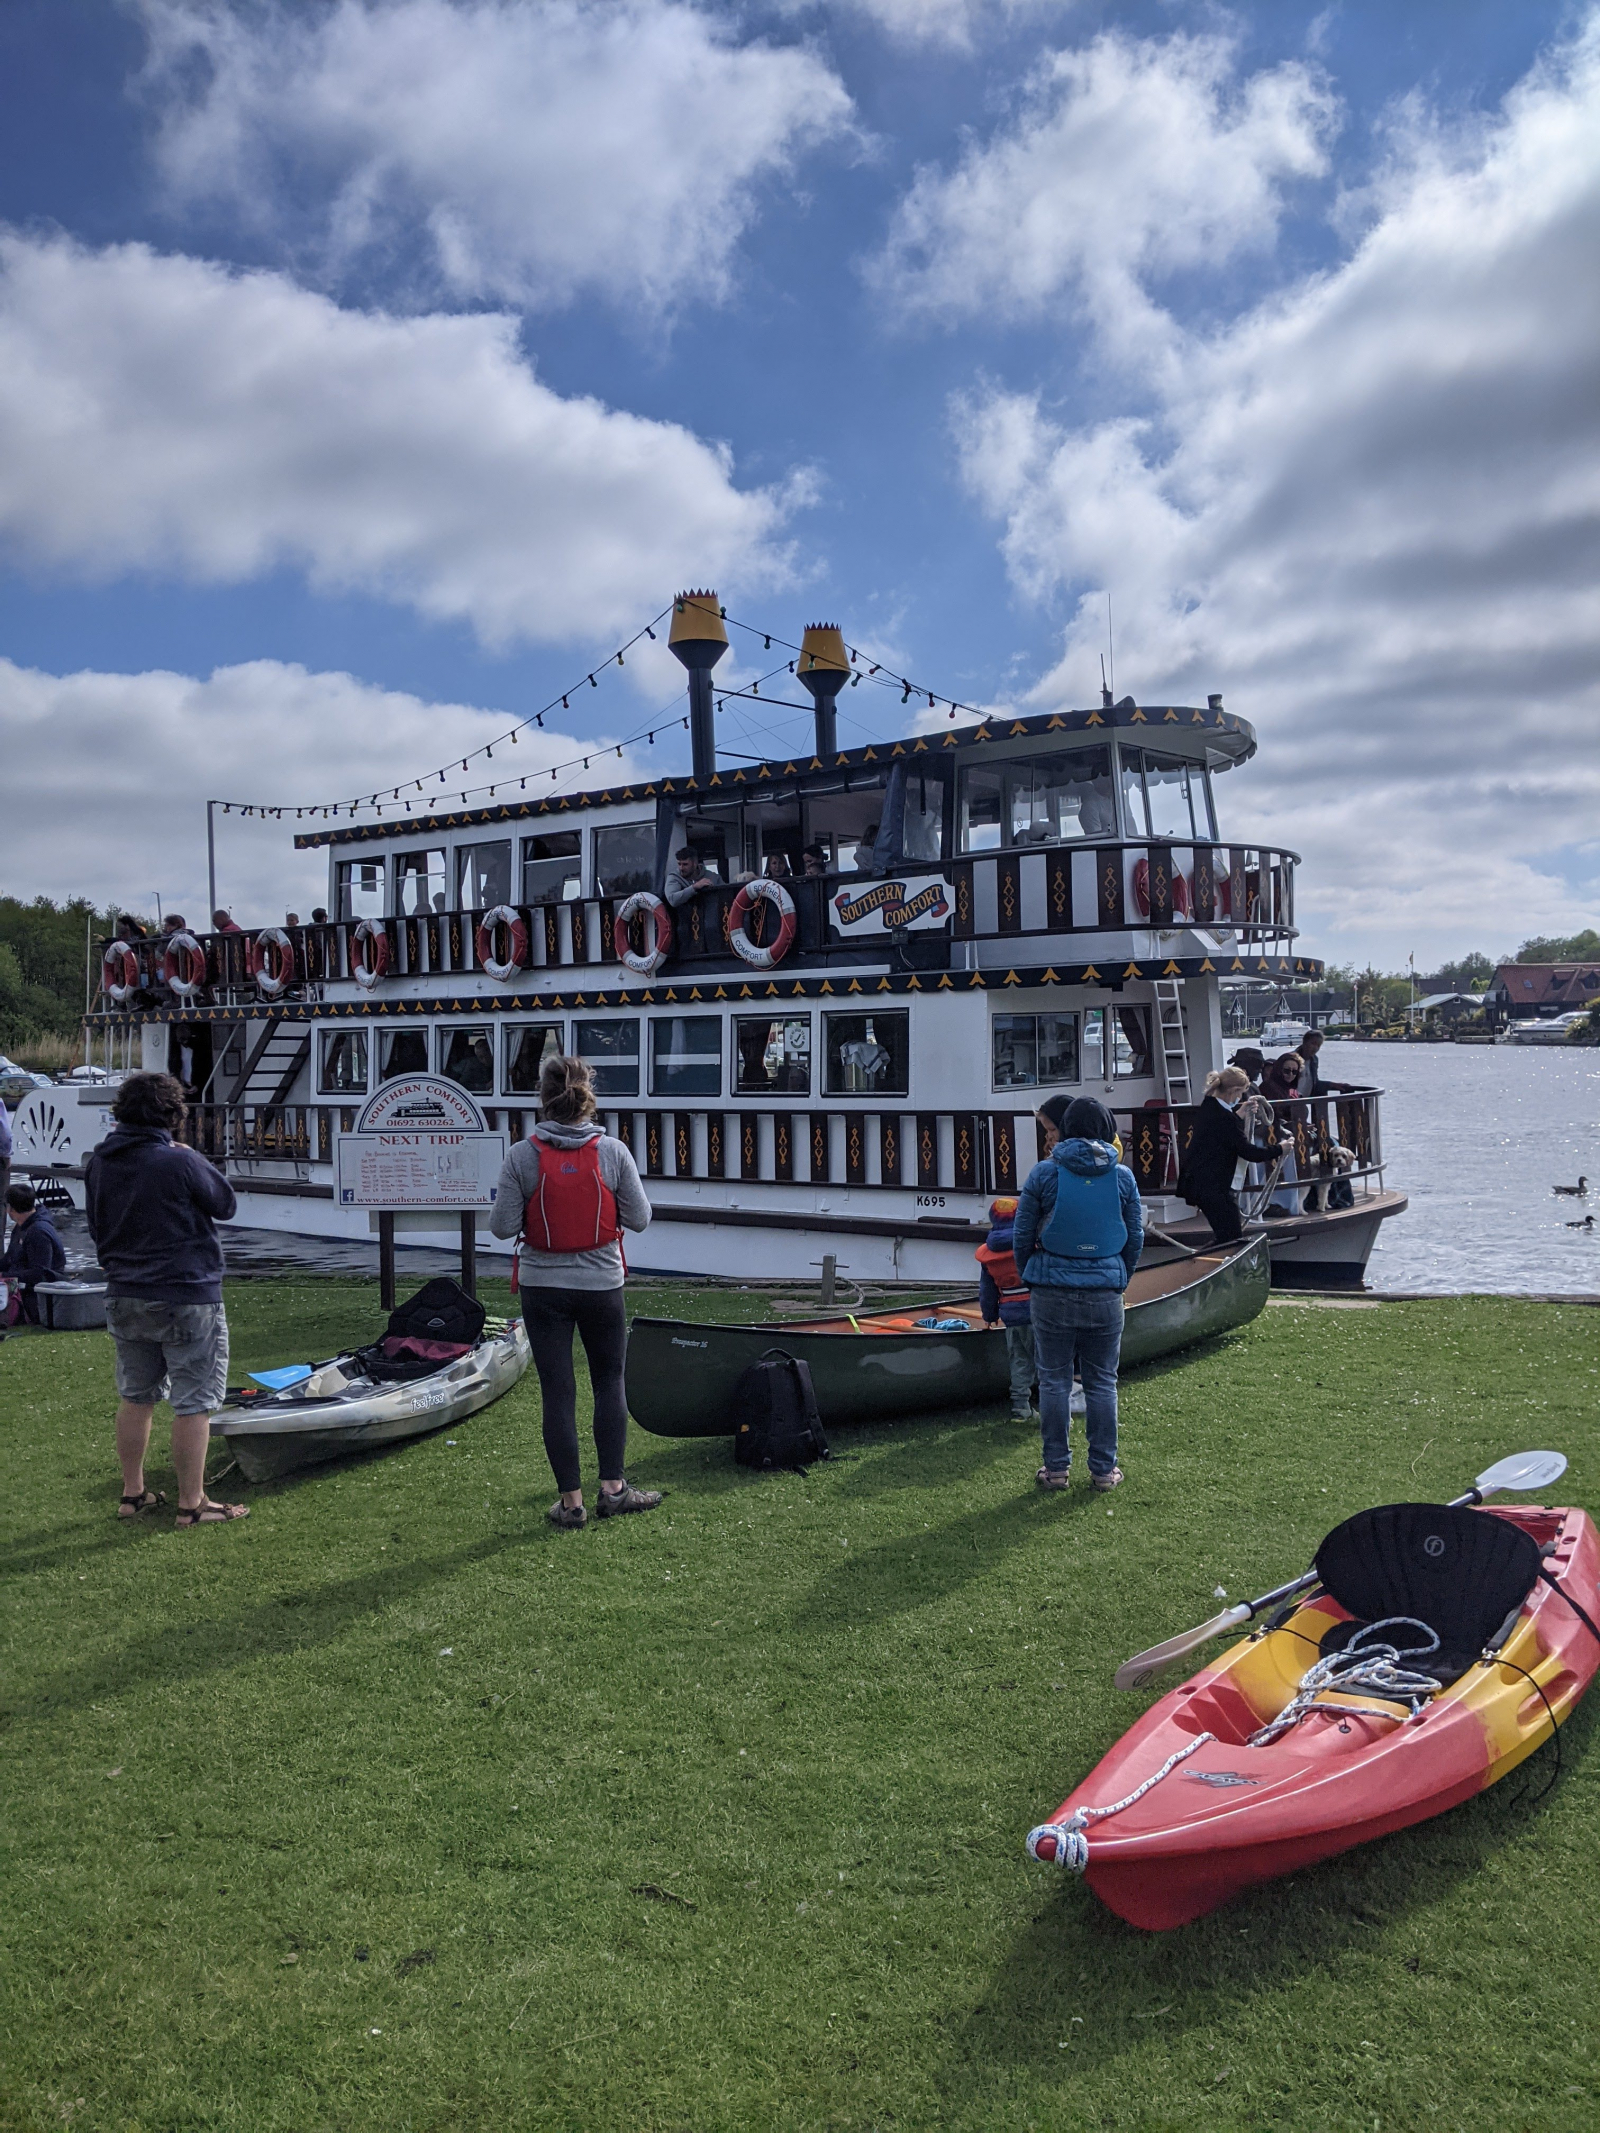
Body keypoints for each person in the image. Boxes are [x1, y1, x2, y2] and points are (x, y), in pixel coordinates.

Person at [489, 1056, 657, 1529]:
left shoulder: (522, 1155)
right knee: (609, 1382)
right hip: (602, 1284)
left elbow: (501, 1228)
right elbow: (640, 1219)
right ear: (588, 1097)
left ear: (542, 1098)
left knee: (558, 1392)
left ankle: (571, 1504)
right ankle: (614, 1490)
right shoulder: (614, 1152)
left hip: (543, 1287)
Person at [84, 1072, 246, 1526]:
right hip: (185, 1292)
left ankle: (133, 1493)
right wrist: (193, 1154)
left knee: (136, 1396)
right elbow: (225, 1204)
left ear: (121, 1112)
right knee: (194, 1402)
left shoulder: (100, 1162)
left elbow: (96, 1226)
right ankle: (191, 1503)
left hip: (124, 1291)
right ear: (173, 1116)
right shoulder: (177, 1161)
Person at [1014, 1095, 1143, 1494]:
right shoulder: (1123, 1177)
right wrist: (1120, 1276)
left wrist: (1031, 1274)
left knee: (1053, 1382)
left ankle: (1055, 1470)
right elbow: (1134, 1236)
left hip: (1051, 1288)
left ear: (1065, 1128)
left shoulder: (1043, 1174)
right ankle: (1104, 1472)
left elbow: (1021, 1234)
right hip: (1105, 1291)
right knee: (1103, 1382)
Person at [1175, 1065, 1283, 1244]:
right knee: (1232, 1237)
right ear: (1233, 1091)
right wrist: (1280, 1149)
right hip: (1212, 1188)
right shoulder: (1224, 1118)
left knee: (1225, 1235)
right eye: (1240, 1094)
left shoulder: (1209, 1106)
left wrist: (1239, 1114)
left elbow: (1222, 1130)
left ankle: (1205, 1264)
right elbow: (1249, 1152)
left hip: (1201, 1183)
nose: (1240, 1098)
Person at [976, 1196, 1035, 1420]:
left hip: (1012, 1318)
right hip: (1039, 1314)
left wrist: (989, 1315)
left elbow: (987, 1290)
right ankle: (1056, 1408)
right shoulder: (1031, 1245)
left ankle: (1021, 1408)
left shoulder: (988, 1255)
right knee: (1051, 1363)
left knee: (1020, 1361)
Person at [1, 1184, 67, 1325]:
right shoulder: (21, 1227)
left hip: (35, 1295)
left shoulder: (38, 1232)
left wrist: (5, 1277)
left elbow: (40, 1273)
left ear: (11, 1209)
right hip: (19, 1286)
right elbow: (9, 1259)